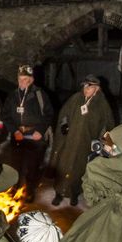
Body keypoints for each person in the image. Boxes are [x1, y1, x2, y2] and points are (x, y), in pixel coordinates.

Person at [50, 74, 114, 205]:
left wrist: (104, 146)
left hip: (86, 143)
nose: (86, 89)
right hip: (69, 141)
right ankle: (58, 193)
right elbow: (64, 114)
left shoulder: (102, 104)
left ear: (97, 88)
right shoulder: (75, 98)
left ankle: (74, 193)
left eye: (89, 87)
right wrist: (64, 124)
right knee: (63, 165)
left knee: (79, 169)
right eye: (84, 86)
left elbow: (107, 126)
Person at [1, 64, 53, 202]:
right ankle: (14, 186)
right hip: (18, 135)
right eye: (20, 79)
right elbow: (5, 115)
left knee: (32, 166)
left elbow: (49, 115)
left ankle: (29, 190)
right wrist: (14, 130)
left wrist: (40, 131)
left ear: (32, 80)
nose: (23, 82)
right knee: (15, 164)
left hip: (34, 137)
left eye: (26, 79)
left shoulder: (40, 95)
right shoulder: (13, 95)